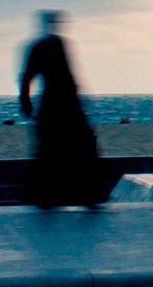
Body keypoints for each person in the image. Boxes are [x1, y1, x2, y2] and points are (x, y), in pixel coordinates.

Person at [18, 11, 107, 209]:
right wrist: (25, 100)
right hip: (63, 103)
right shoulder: (54, 44)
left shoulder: (43, 45)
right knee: (80, 146)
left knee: (52, 148)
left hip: (56, 103)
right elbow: (33, 76)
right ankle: (83, 192)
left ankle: (55, 193)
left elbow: (27, 76)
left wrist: (25, 101)